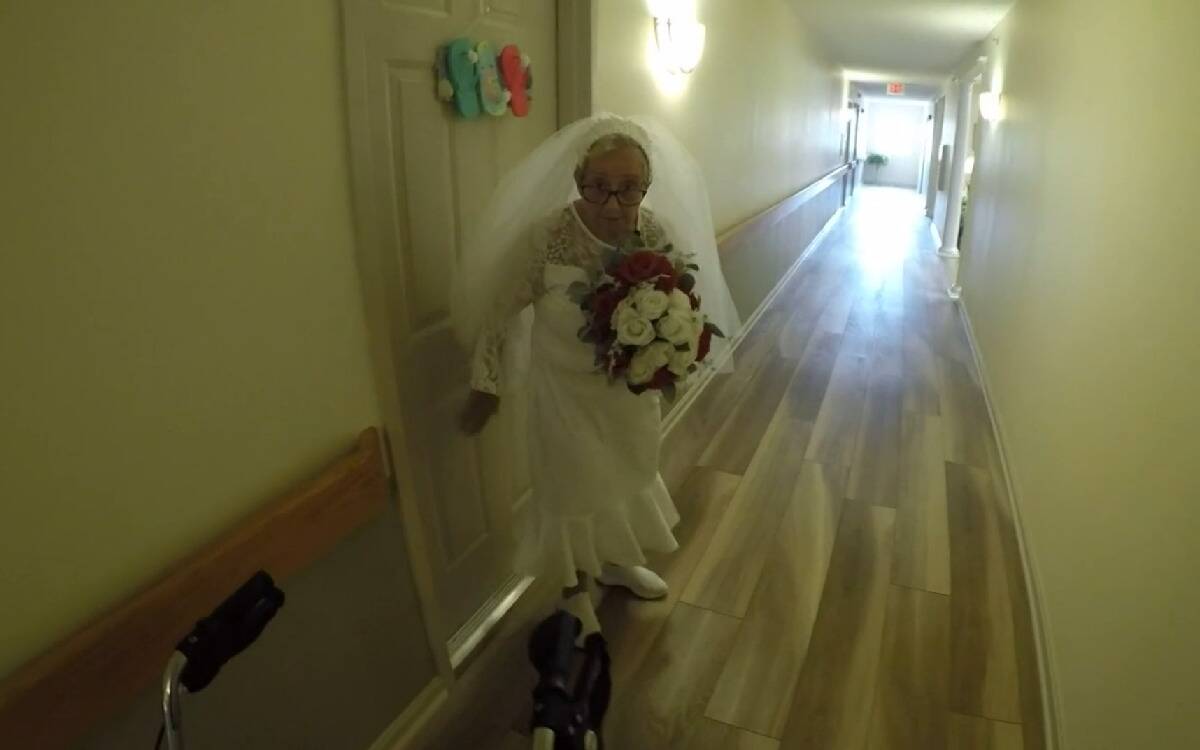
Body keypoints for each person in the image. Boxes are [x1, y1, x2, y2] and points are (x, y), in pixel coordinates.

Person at [452, 114, 739, 637]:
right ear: (579, 179)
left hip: (628, 395)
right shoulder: (548, 237)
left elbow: (683, 305)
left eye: (628, 189)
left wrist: (672, 355)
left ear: (645, 186)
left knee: (627, 477)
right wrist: (485, 383)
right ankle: (573, 590)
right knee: (569, 490)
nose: (612, 204)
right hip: (562, 395)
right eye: (598, 187)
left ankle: (614, 561)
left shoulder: (655, 231)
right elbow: (498, 312)